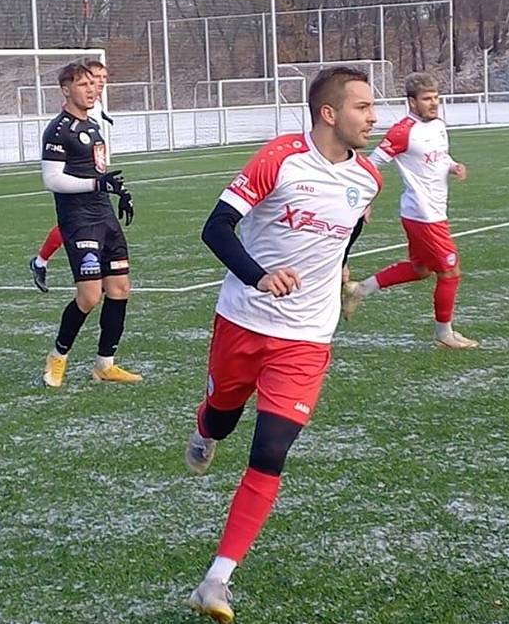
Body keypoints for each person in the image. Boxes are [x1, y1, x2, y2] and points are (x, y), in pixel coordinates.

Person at [184, 66, 381, 623]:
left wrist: (338, 273)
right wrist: (259, 275)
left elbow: (349, 231)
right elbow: (216, 228)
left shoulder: (367, 179)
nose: (373, 117)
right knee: (222, 419)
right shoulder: (280, 158)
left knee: (270, 449)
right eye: (363, 107)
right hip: (244, 320)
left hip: (308, 337)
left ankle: (216, 580)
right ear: (329, 113)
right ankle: (204, 427)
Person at [341, 72, 478, 350]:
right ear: (412, 102)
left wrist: (453, 166)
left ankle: (360, 289)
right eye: (427, 99)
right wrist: (363, 201)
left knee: (421, 268)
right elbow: (370, 164)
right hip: (423, 214)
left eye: (436, 98)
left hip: (434, 210)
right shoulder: (403, 131)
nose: (434, 103)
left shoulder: (439, 124)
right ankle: (444, 333)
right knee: (451, 272)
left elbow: (440, 156)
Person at [39, 62, 140, 387]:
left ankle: (104, 365)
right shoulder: (58, 130)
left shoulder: (94, 126)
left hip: (104, 216)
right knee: (89, 296)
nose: (92, 89)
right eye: (84, 85)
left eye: (94, 85)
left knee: (120, 289)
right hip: (79, 220)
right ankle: (57, 357)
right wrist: (96, 186)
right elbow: (52, 179)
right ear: (66, 89)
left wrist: (118, 192)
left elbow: (97, 173)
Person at [30, 60, 114, 292]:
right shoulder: (68, 119)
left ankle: (42, 263)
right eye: (98, 77)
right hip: (77, 190)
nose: (100, 83)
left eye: (104, 78)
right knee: (69, 227)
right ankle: (40, 262)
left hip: (97, 197)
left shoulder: (93, 106)